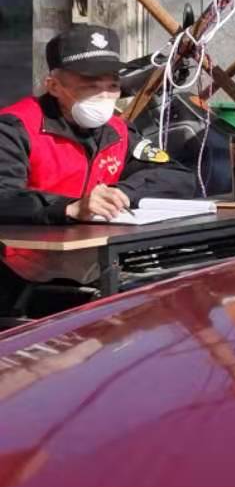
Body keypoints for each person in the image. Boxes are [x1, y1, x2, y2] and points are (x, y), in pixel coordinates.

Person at [0, 24, 201, 313]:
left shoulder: (117, 130)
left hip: (95, 266)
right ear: (54, 86)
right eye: (91, 85)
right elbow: (4, 196)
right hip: (17, 275)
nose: (104, 95)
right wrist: (68, 208)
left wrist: (121, 192)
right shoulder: (14, 127)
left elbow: (177, 176)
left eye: (112, 86)